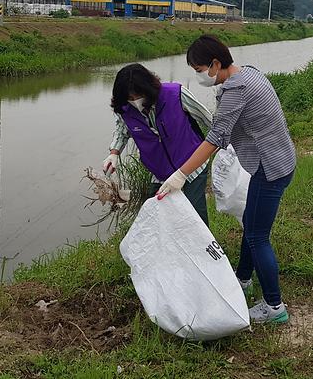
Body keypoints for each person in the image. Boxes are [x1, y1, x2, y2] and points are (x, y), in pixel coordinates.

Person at [158, 34, 296, 325]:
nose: (199, 77)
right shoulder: (250, 73)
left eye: (199, 70)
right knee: (251, 224)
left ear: (216, 63)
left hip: (269, 169)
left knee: (258, 236)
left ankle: (274, 308)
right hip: (279, 160)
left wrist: (181, 174)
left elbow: (217, 137)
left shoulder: (237, 89)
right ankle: (243, 280)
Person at [103, 63, 212, 224]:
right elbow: (122, 130)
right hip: (160, 173)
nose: (135, 101)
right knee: (159, 217)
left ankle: (204, 248)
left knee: (194, 216)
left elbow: (208, 119)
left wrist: (224, 145)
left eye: (137, 96)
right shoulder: (124, 108)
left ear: (147, 89)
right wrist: (114, 153)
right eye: (130, 98)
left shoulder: (175, 94)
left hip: (192, 166)